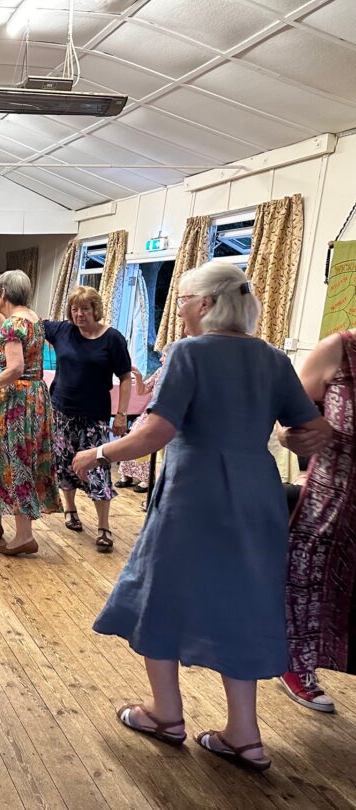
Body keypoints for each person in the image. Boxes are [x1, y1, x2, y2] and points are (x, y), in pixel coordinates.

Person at [75, 261, 331, 772]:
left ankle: (166, 714)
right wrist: (282, 436)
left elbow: (156, 433)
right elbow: (312, 431)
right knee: (246, 601)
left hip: (195, 493)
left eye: (185, 299)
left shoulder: (188, 353)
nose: (182, 310)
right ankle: (245, 734)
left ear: (207, 304)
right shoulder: (273, 358)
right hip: (256, 494)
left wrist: (97, 455)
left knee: (160, 594)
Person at [278, 327, 356, 713]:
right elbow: (285, 416)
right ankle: (297, 666)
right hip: (333, 497)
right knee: (310, 583)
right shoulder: (338, 350)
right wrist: (292, 438)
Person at [0, 271, 59, 554]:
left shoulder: (14, 324)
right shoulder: (33, 319)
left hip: (18, 400)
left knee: (17, 460)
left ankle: (24, 536)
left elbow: (15, 367)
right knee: (4, 455)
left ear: (3, 292)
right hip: (35, 396)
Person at [43, 286, 132, 553]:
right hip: (61, 411)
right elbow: (30, 323)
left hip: (95, 416)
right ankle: (70, 510)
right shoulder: (62, 331)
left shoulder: (113, 339)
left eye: (84, 309)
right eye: (74, 309)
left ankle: (104, 526)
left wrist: (122, 413)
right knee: (65, 465)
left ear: (95, 310)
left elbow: (125, 378)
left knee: (98, 469)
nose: (79, 314)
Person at [115, 359, 166, 492]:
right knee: (133, 435)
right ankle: (127, 474)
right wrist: (138, 377)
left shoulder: (178, 374)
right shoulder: (160, 371)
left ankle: (147, 478)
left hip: (163, 414)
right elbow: (142, 391)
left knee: (148, 438)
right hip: (151, 412)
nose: (160, 359)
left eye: (164, 355)